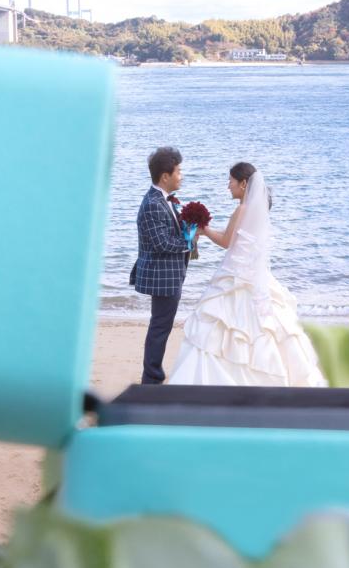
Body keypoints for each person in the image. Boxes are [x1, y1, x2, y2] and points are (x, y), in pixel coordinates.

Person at [169, 162, 325, 387]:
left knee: (225, 324)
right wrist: (206, 230)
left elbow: (226, 241)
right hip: (250, 270)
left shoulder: (242, 209)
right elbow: (235, 237)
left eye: (231, 181)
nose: (228, 186)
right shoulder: (254, 210)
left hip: (236, 271)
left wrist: (204, 230)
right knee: (261, 324)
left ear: (243, 184)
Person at [132, 146, 193, 384]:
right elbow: (161, 243)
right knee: (160, 327)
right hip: (162, 277)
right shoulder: (152, 204)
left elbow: (169, 234)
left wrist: (190, 229)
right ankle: (151, 378)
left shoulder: (164, 200)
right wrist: (188, 242)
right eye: (179, 171)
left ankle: (153, 375)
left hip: (170, 275)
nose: (182, 176)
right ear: (165, 176)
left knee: (161, 325)